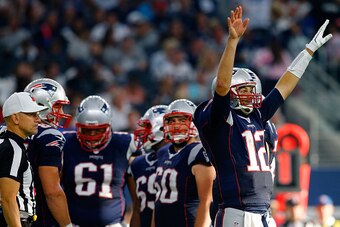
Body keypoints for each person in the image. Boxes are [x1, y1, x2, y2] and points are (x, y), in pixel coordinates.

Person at [193, 5, 332, 227]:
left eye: (252, 90)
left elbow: (283, 87)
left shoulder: (258, 117)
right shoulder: (220, 118)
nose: (251, 96)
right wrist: (232, 42)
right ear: (230, 94)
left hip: (264, 211)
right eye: (244, 91)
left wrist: (308, 52)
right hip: (237, 212)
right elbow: (221, 84)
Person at [61, 95, 137, 226]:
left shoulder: (125, 144)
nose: (92, 136)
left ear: (108, 126)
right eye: (87, 131)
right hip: (74, 223)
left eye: (97, 130)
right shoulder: (65, 142)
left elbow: (138, 197)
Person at [152, 99, 216, 227]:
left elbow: (207, 202)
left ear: (194, 123)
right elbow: (158, 199)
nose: (176, 125)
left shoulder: (198, 151)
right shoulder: (163, 152)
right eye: (172, 120)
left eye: (182, 120)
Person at [24, 78, 73, 227]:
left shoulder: (4, 130)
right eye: (58, 106)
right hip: (35, 216)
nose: (61, 112)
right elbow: (52, 192)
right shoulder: (49, 135)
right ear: (42, 105)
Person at [0, 92, 47, 226]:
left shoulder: (5, 143)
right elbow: (8, 199)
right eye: (32, 115)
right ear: (15, 118)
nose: (38, 119)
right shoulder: (13, 149)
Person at [129, 105, 169, 227]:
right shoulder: (138, 163)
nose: (144, 131)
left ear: (162, 129)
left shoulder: (181, 158)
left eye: (148, 127)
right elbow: (137, 209)